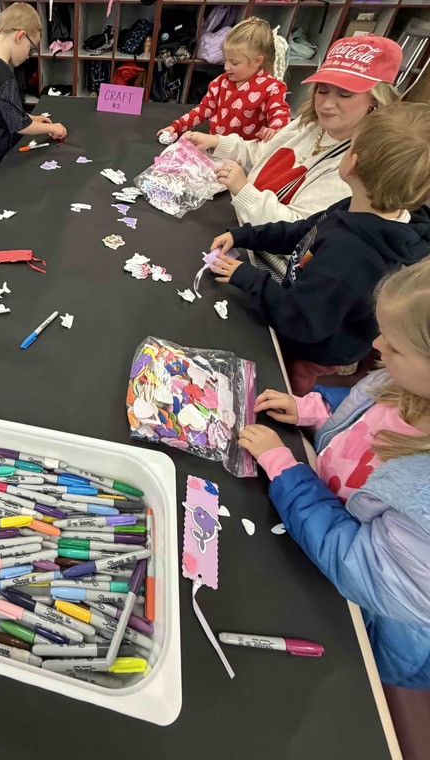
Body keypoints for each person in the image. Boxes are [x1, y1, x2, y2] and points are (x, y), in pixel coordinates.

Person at [238, 258, 430, 691]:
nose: (377, 344)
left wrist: (286, 471)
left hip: (359, 617)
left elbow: (359, 563)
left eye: (396, 347)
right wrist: (315, 409)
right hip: (315, 517)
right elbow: (361, 412)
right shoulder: (402, 383)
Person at [210, 103, 430, 393]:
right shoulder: (359, 208)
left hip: (306, 348)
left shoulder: (351, 253)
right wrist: (245, 236)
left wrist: (246, 276)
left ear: (353, 162)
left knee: (277, 386)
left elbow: (300, 319)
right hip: (306, 306)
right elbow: (303, 231)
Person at [185, 35, 402, 275]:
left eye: (345, 94)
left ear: (376, 99)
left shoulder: (356, 168)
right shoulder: (309, 125)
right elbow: (263, 154)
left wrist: (243, 189)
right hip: (238, 224)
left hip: (265, 262)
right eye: (322, 90)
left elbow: (299, 233)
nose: (327, 104)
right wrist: (217, 142)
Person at [157, 17, 290, 143]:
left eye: (234, 63)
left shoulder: (271, 88)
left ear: (257, 61)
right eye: (225, 60)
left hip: (245, 154)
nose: (226, 67)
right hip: (215, 147)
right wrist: (177, 126)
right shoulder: (220, 83)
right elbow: (203, 109)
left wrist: (275, 130)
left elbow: (280, 113)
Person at [0, 2, 67, 180]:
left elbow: (3, 111)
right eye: (31, 48)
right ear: (20, 36)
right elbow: (19, 125)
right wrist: (53, 128)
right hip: (3, 159)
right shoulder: (3, 75)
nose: (28, 56)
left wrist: (32, 118)